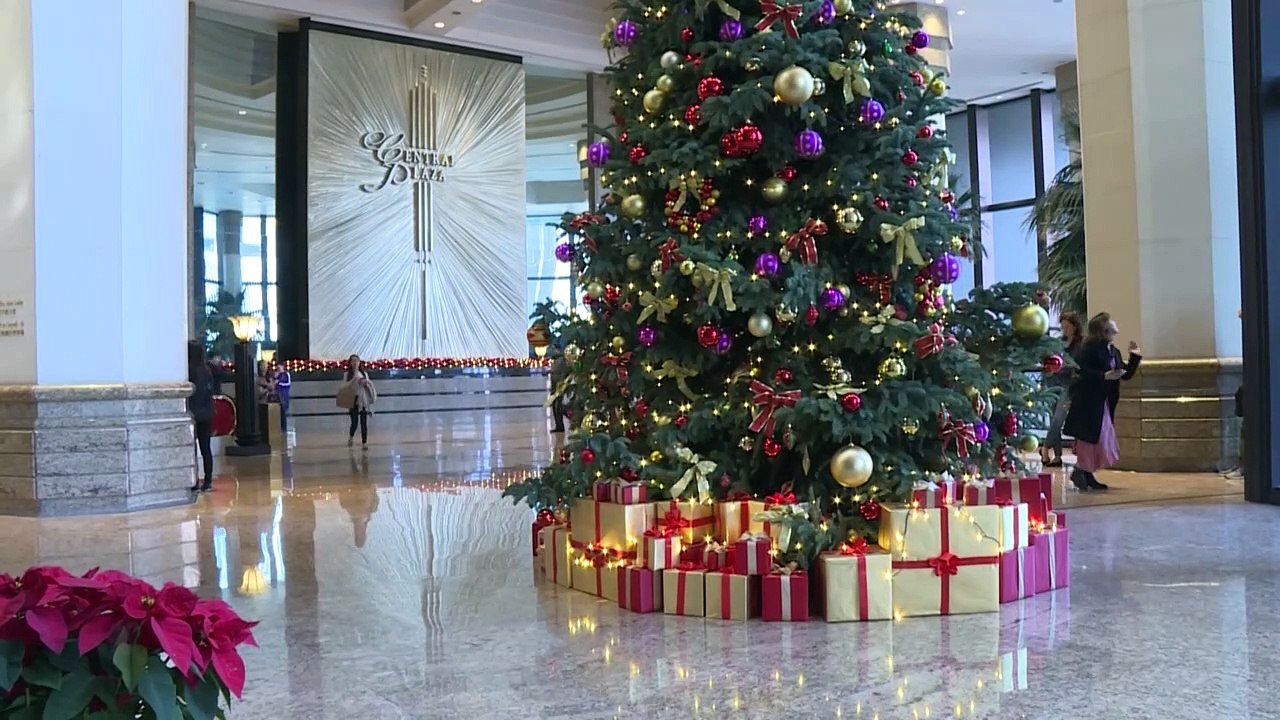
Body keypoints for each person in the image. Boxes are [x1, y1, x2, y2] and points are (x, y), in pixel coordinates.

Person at [1063, 312, 1142, 491]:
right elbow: (1080, 372)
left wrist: (1135, 357)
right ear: (1104, 329)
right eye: (1110, 321)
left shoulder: (1113, 351)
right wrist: (1103, 376)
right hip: (1089, 401)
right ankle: (1081, 471)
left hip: (1104, 401)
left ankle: (1087, 472)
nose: (1114, 323)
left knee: (1100, 438)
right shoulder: (1089, 349)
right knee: (1090, 438)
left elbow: (1125, 374)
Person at [1041, 313, 1084, 467]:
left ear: (1075, 327)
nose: (1065, 330)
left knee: (1059, 417)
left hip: (1069, 385)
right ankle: (1057, 455)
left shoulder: (1080, 345)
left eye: (1067, 327)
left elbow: (1076, 366)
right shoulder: (1058, 343)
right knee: (1054, 418)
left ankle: (1045, 447)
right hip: (1053, 382)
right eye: (1063, 327)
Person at [187, 341, 217, 493]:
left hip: (193, 414)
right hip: (207, 413)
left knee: (192, 449)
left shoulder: (190, 371)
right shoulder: (207, 370)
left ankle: (194, 481)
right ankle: (208, 481)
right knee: (206, 449)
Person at [340, 354, 377, 448]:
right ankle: (351, 437)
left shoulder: (364, 374)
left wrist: (365, 383)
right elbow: (345, 387)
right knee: (354, 422)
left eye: (357, 360)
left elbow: (369, 385)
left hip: (363, 399)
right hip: (353, 400)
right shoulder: (347, 374)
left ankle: (364, 442)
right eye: (353, 361)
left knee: (363, 422)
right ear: (350, 363)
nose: (355, 363)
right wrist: (354, 381)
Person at [275, 363, 292, 435]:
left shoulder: (286, 374)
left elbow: (288, 383)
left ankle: (284, 428)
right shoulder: (277, 375)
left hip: (284, 395)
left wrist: (279, 383)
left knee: (284, 412)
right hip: (278, 395)